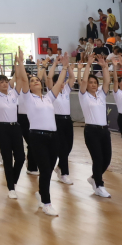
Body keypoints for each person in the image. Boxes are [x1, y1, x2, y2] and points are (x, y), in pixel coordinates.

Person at [13, 47, 65, 216]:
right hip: (37, 137)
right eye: (33, 80)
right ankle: (46, 202)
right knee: (44, 169)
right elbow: (22, 77)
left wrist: (64, 67)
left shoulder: (49, 97)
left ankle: (42, 193)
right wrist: (20, 62)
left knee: (49, 169)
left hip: (54, 137)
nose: (35, 81)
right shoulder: (28, 98)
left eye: (37, 80)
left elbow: (58, 83)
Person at [0, 61, 24, 198]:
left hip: (15, 127)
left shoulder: (14, 94)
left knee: (20, 157)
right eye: (1, 82)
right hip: (2, 128)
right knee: (8, 158)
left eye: (6, 81)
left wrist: (19, 63)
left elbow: (19, 79)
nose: (4, 84)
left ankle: (13, 181)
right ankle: (11, 188)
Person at [77, 55, 113, 198]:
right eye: (90, 82)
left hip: (104, 131)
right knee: (97, 158)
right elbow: (84, 80)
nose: (92, 84)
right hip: (91, 131)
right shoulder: (84, 95)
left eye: (94, 82)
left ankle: (94, 177)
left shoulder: (101, 95)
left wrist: (105, 67)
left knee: (107, 159)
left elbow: (107, 81)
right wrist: (88, 65)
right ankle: (99, 185)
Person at [48, 55, 75, 186]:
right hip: (56, 120)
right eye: (60, 82)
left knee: (69, 146)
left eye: (63, 82)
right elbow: (48, 78)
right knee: (63, 148)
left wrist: (67, 65)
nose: (63, 84)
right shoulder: (51, 92)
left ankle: (59, 166)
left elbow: (72, 77)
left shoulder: (66, 91)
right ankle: (64, 173)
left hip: (67, 121)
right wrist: (54, 64)